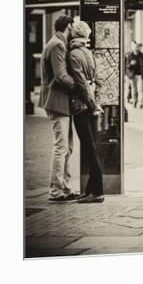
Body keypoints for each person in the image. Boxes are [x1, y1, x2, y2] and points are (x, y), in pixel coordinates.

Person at [38, 14, 80, 202]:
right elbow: (61, 75)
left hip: (60, 101)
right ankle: (56, 191)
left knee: (67, 147)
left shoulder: (57, 43)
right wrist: (80, 85)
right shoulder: (57, 45)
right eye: (73, 27)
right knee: (61, 146)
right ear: (68, 26)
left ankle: (65, 187)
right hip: (56, 101)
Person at [67, 20, 105, 204]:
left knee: (90, 149)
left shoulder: (73, 54)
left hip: (82, 107)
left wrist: (92, 104)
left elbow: (81, 84)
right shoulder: (89, 53)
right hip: (91, 106)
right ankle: (91, 189)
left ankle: (97, 191)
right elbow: (97, 80)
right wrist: (96, 103)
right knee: (91, 147)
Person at [125, 41, 143, 108]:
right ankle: (135, 101)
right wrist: (131, 64)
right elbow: (127, 65)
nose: (136, 48)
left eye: (136, 47)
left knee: (140, 89)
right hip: (132, 75)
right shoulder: (130, 55)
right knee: (134, 89)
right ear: (132, 47)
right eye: (134, 47)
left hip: (140, 74)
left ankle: (140, 102)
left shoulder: (141, 55)